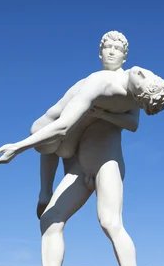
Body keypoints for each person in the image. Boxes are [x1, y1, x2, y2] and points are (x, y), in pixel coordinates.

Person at [0, 55, 164, 266]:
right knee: (50, 221)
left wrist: (100, 114)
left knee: (110, 222)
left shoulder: (136, 91)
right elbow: (63, 128)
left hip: (107, 163)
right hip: (81, 167)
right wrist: (18, 148)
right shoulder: (101, 82)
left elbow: (133, 124)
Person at [33, 31, 133, 219]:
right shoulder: (89, 81)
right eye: (107, 48)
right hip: (78, 148)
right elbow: (65, 124)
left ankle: (45, 191)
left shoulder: (129, 83)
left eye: (117, 49)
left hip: (103, 156)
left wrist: (104, 114)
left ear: (125, 56)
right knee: (52, 136)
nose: (111, 52)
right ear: (100, 53)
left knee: (110, 222)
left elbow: (133, 123)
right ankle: (45, 191)